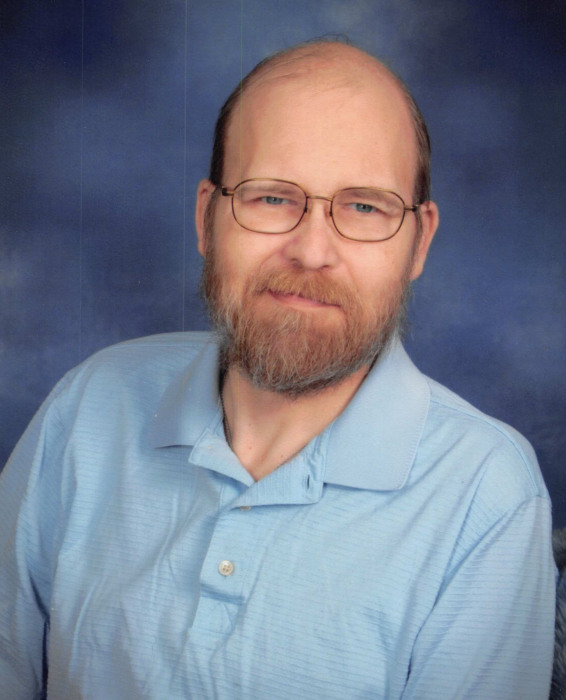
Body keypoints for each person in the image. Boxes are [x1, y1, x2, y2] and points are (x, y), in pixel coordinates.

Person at [0, 40, 556, 699]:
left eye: (365, 206)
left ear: (419, 243)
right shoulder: (89, 404)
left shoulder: (486, 494)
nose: (312, 251)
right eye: (270, 198)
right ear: (207, 218)